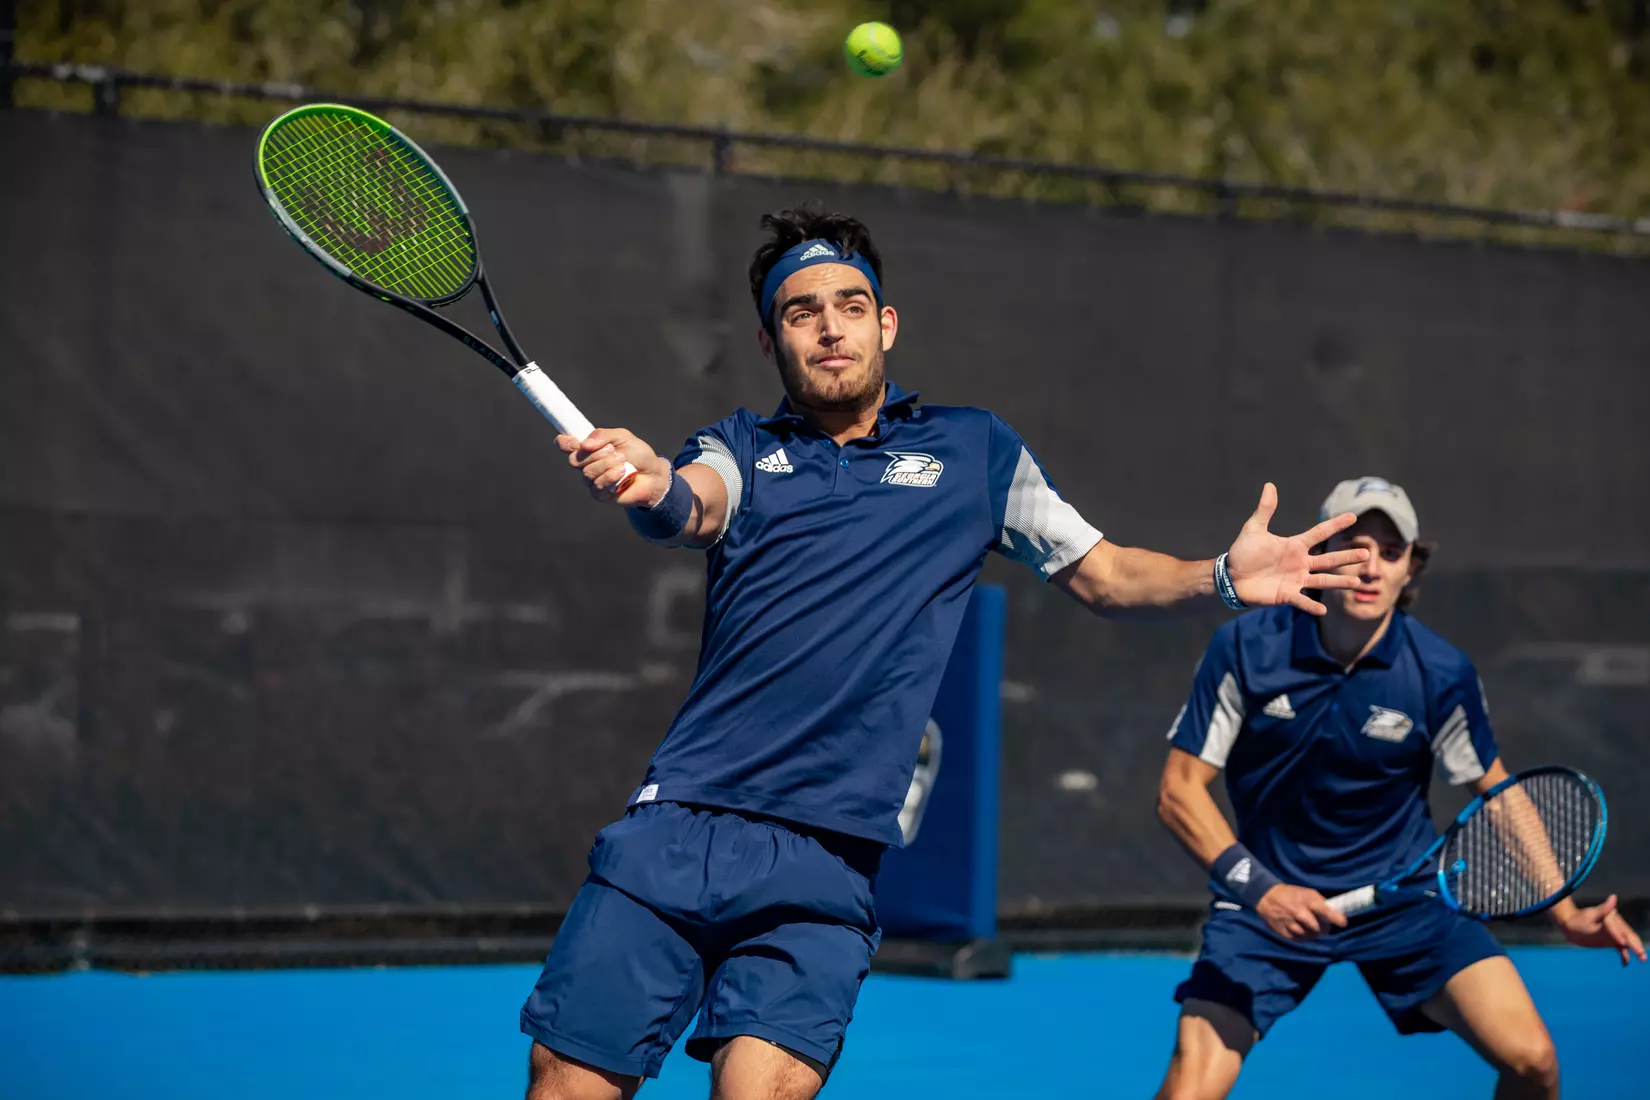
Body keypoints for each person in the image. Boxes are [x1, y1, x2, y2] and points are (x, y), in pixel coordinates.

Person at [520, 204, 1371, 1100]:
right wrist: (652, 482)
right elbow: (690, 503)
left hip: (827, 859)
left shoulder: (976, 454)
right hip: (679, 827)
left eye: (850, 305)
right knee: (565, 1086)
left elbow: (1105, 573)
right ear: (772, 344)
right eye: (801, 312)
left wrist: (1222, 578)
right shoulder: (739, 449)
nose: (830, 327)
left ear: (886, 324)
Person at [1152, 476, 1646, 1100]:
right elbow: (1179, 791)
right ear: (1320, 553)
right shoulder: (1245, 649)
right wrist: (1264, 891)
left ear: (1412, 565)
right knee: (1190, 1088)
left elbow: (1498, 797)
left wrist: (1566, 912)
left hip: (1404, 900)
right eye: (1355, 548)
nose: (1371, 568)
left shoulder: (1440, 673)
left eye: (1391, 551)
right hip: (1264, 903)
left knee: (1534, 1062)